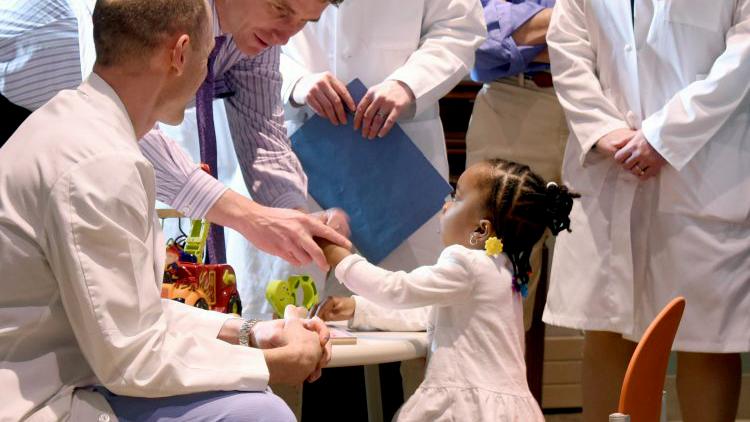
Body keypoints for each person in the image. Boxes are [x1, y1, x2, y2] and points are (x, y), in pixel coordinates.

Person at [0, 1, 331, 420]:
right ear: (180, 52)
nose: (212, 73)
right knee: (259, 413)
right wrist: (270, 364)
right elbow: (129, 358)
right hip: (32, 398)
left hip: (73, 370)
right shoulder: (101, 165)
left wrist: (252, 333)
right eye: (210, 52)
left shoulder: (88, 131)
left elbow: (133, 312)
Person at [542, 0, 750, 421]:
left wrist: (664, 135)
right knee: (606, 329)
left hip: (703, 168)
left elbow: (743, 55)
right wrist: (605, 131)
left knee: (705, 337)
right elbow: (567, 47)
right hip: (608, 164)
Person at [316, 159, 579, 421]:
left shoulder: (466, 263)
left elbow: (396, 289)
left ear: (480, 229)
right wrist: (359, 308)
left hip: (468, 409)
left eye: (457, 196)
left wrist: (339, 256)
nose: (445, 203)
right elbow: (426, 314)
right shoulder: (503, 270)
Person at [274, 0, 486, 298]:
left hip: (401, 146)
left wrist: (408, 84)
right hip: (301, 136)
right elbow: (246, 25)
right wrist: (295, 81)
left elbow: (460, 26)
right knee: (296, 301)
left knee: (407, 302)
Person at [466, 0, 565, 330]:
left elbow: (634, 36)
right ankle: (491, 383)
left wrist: (531, 34)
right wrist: (586, 30)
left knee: (610, 278)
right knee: (497, 274)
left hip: (608, 106)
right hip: (511, 103)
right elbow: (482, 35)